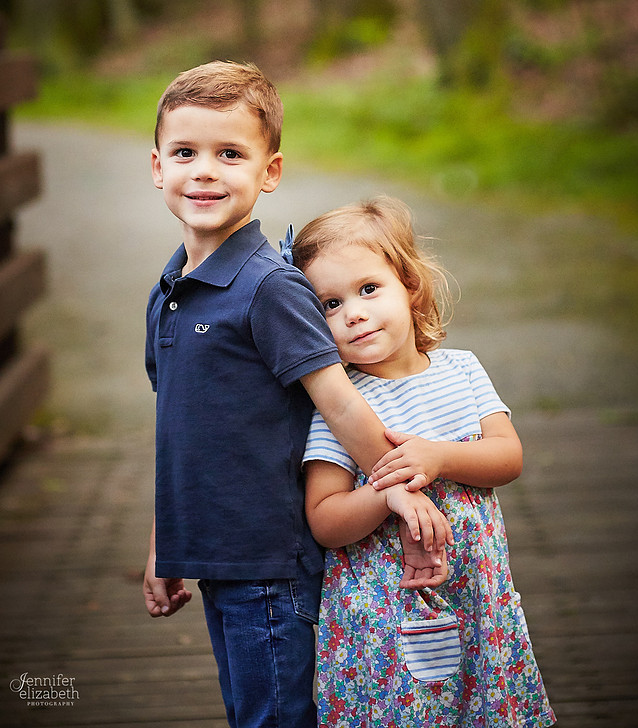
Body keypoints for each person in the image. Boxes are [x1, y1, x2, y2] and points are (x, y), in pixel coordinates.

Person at [141, 62, 450, 728]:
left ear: (270, 171)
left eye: (230, 154)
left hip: (271, 567)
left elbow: (338, 401)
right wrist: (166, 543)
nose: (204, 171)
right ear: (158, 167)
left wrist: (395, 485)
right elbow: (178, 433)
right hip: (216, 560)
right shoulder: (169, 292)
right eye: (185, 153)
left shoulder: (269, 288)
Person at [293, 195, 556, 728]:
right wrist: (385, 488)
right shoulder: (340, 405)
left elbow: (508, 457)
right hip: (386, 613)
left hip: (477, 595)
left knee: (482, 706)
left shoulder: (460, 370)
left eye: (369, 289)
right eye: (330, 304)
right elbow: (324, 519)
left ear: (410, 285)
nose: (354, 313)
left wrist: (438, 456)